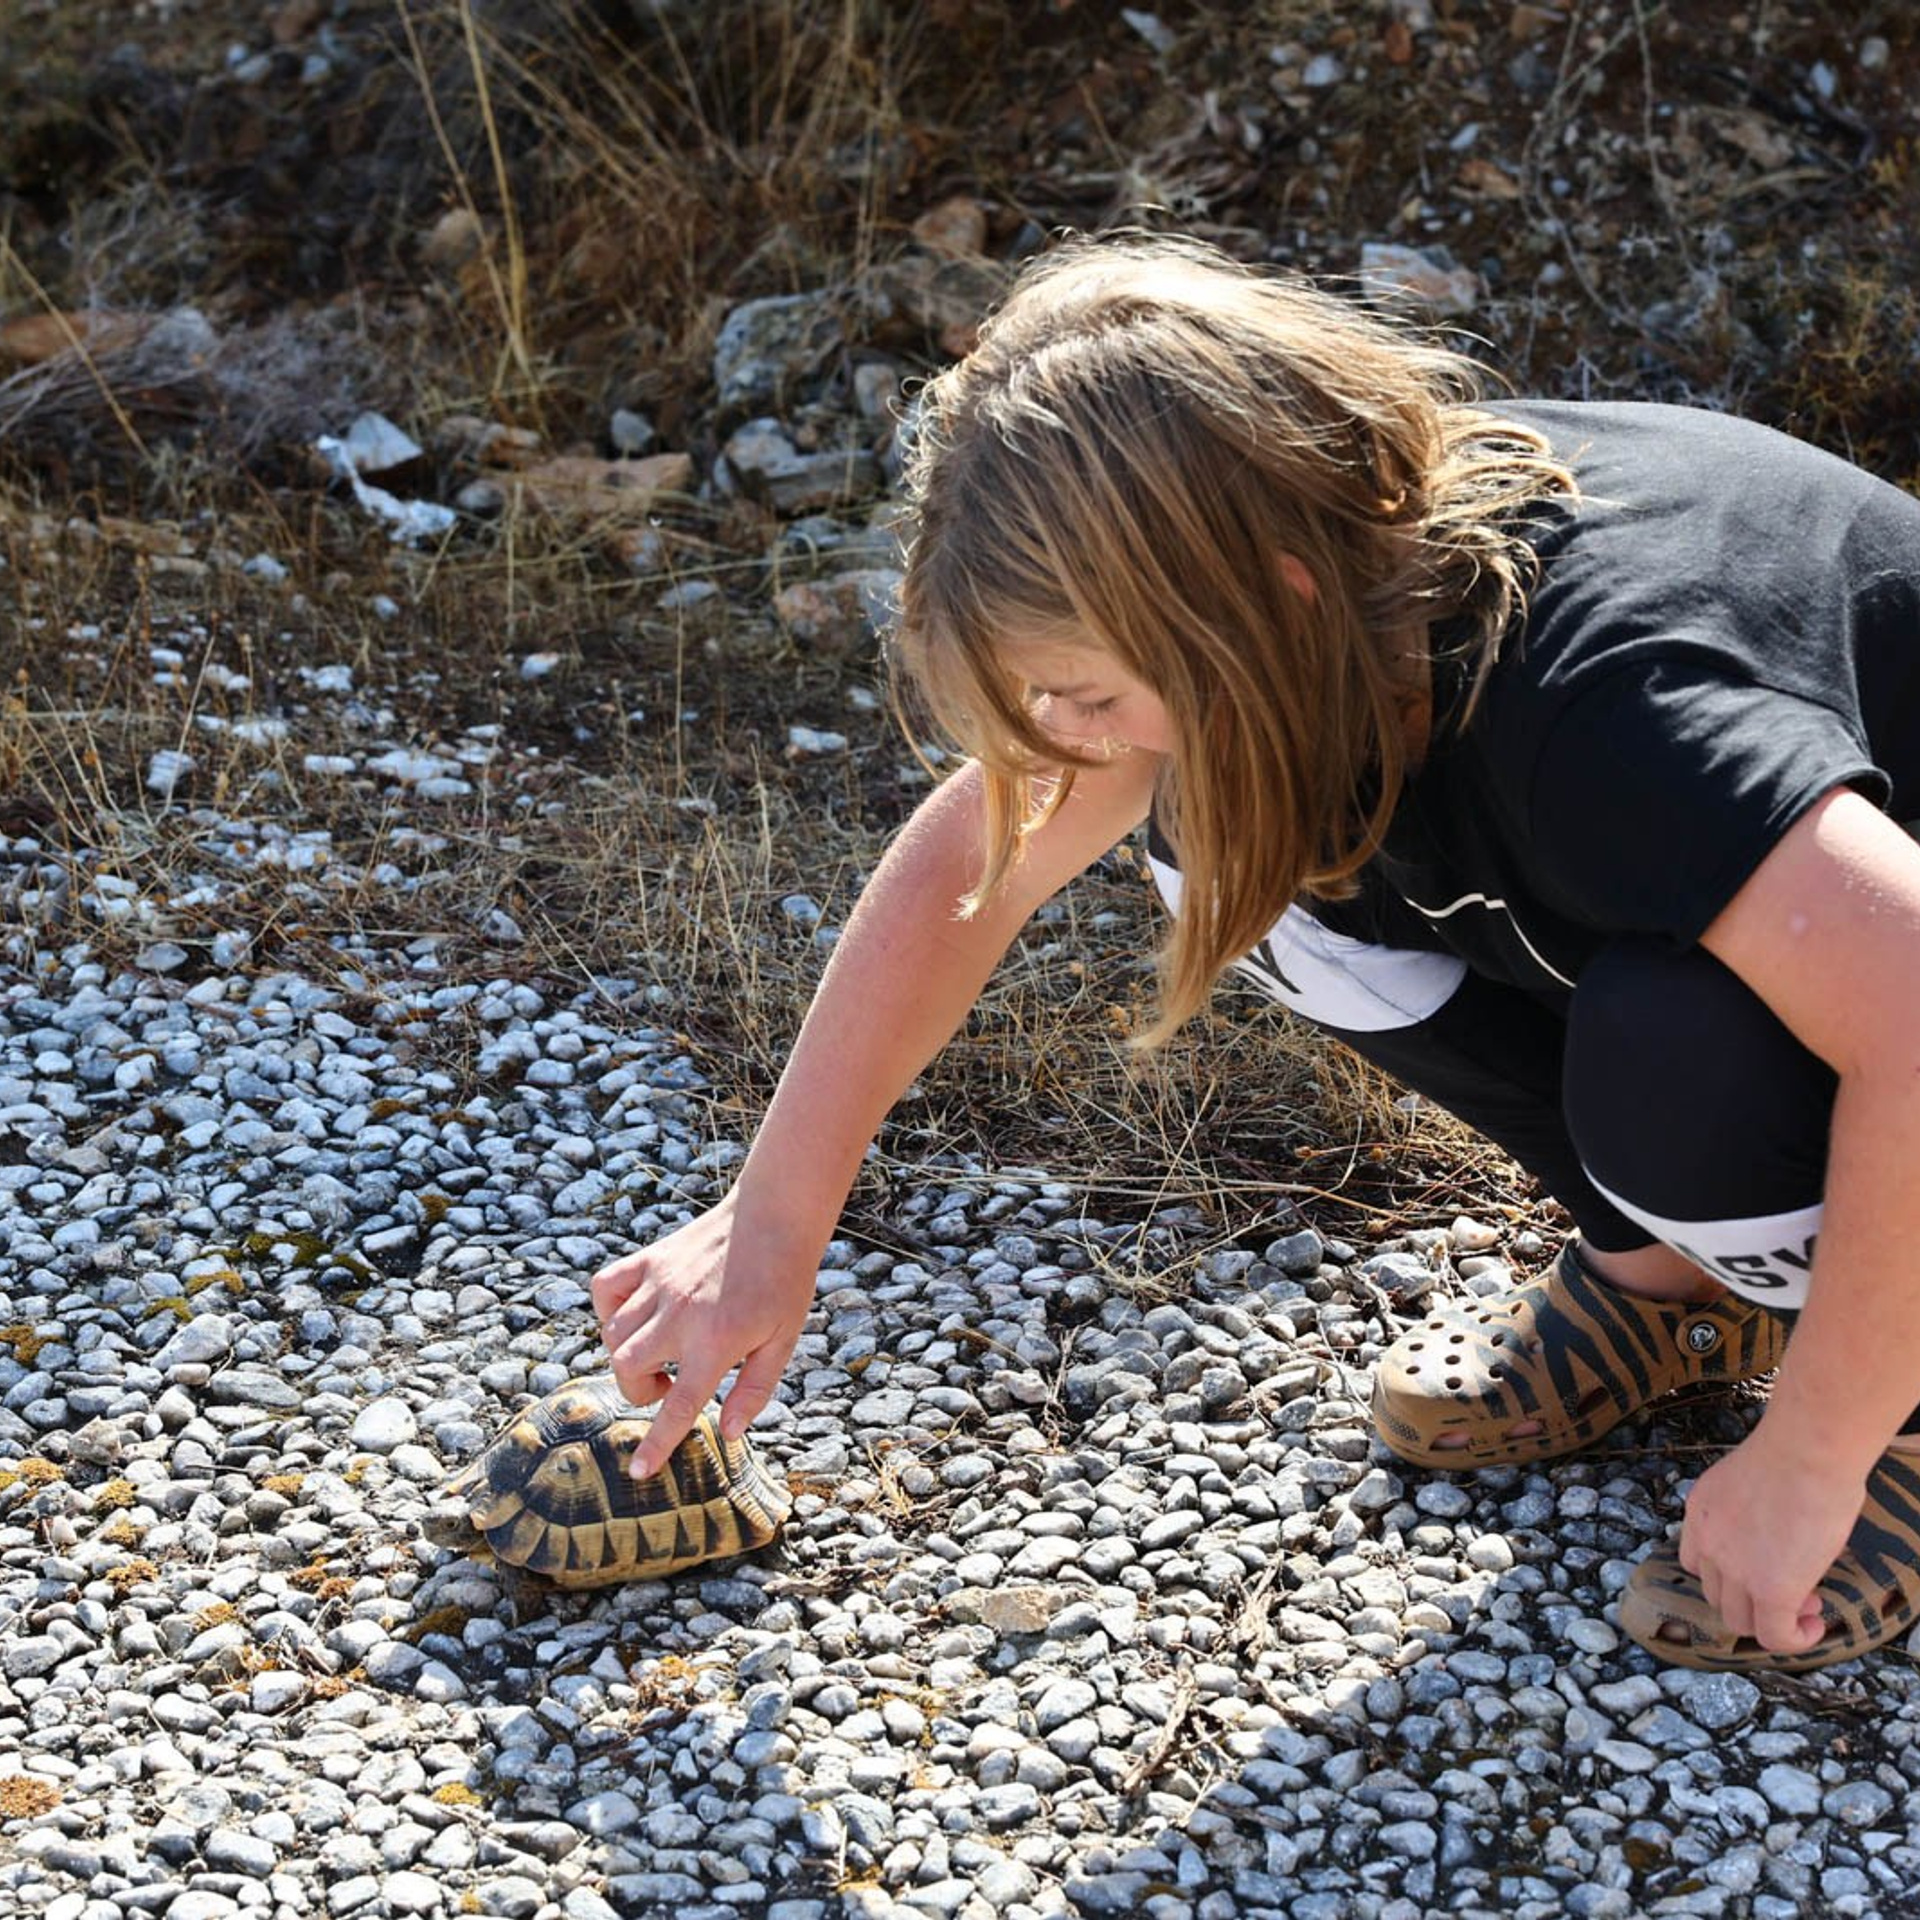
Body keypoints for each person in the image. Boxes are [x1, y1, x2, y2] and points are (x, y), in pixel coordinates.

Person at [592, 231, 1920, 1674]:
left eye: (1089, 695)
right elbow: (979, 857)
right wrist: (771, 1221)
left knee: (1674, 1060)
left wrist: (1811, 1454)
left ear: (1264, 598)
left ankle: (1891, 1412)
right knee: (1231, 846)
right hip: (1817, 959)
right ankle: (1671, 1288)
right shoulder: (1331, 605)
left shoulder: (1610, 700)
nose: (1067, 748)